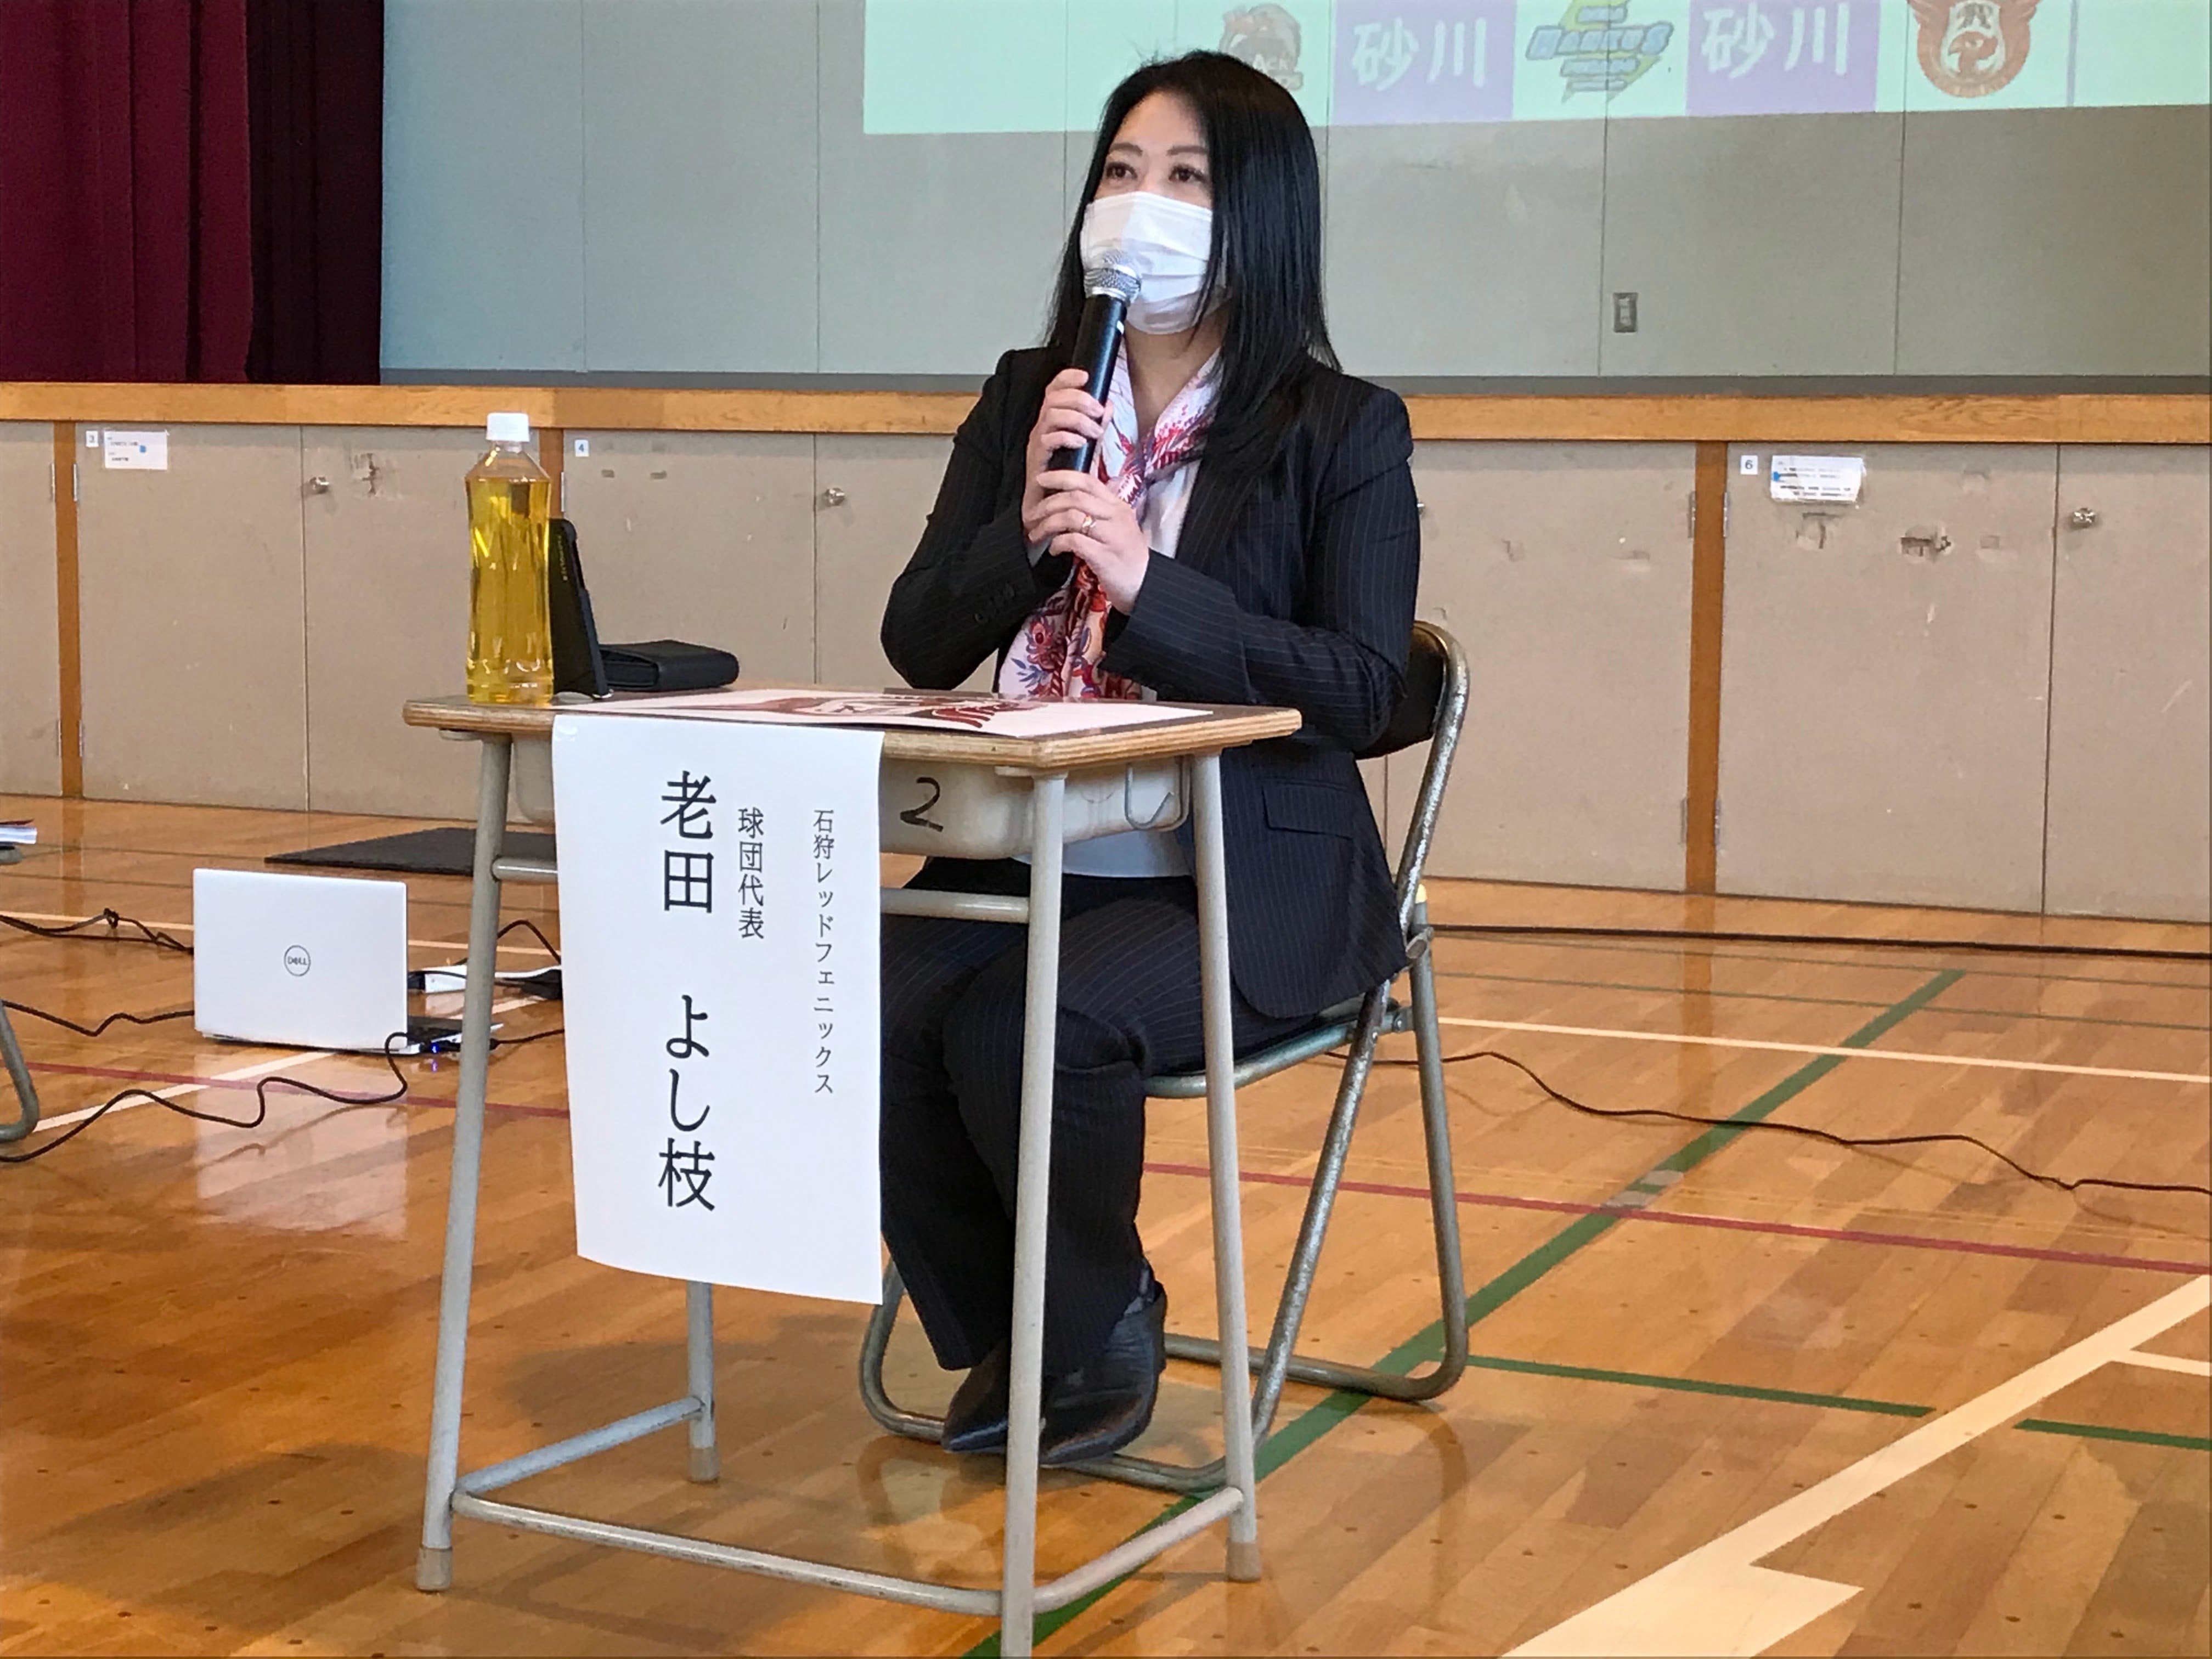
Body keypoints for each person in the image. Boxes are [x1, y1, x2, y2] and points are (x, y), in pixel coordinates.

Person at [877, 50, 1420, 1467]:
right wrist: (1028, 528)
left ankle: (1092, 1321)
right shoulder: (1031, 397)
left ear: (1260, 217)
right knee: (856, 998)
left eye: (1185, 179)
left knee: (1026, 1025)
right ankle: (1019, 1325)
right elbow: (920, 640)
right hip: (1023, 849)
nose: (1141, 204)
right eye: (1121, 172)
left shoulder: (1342, 427)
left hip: (1232, 881)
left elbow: (1368, 689)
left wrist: (1148, 584)